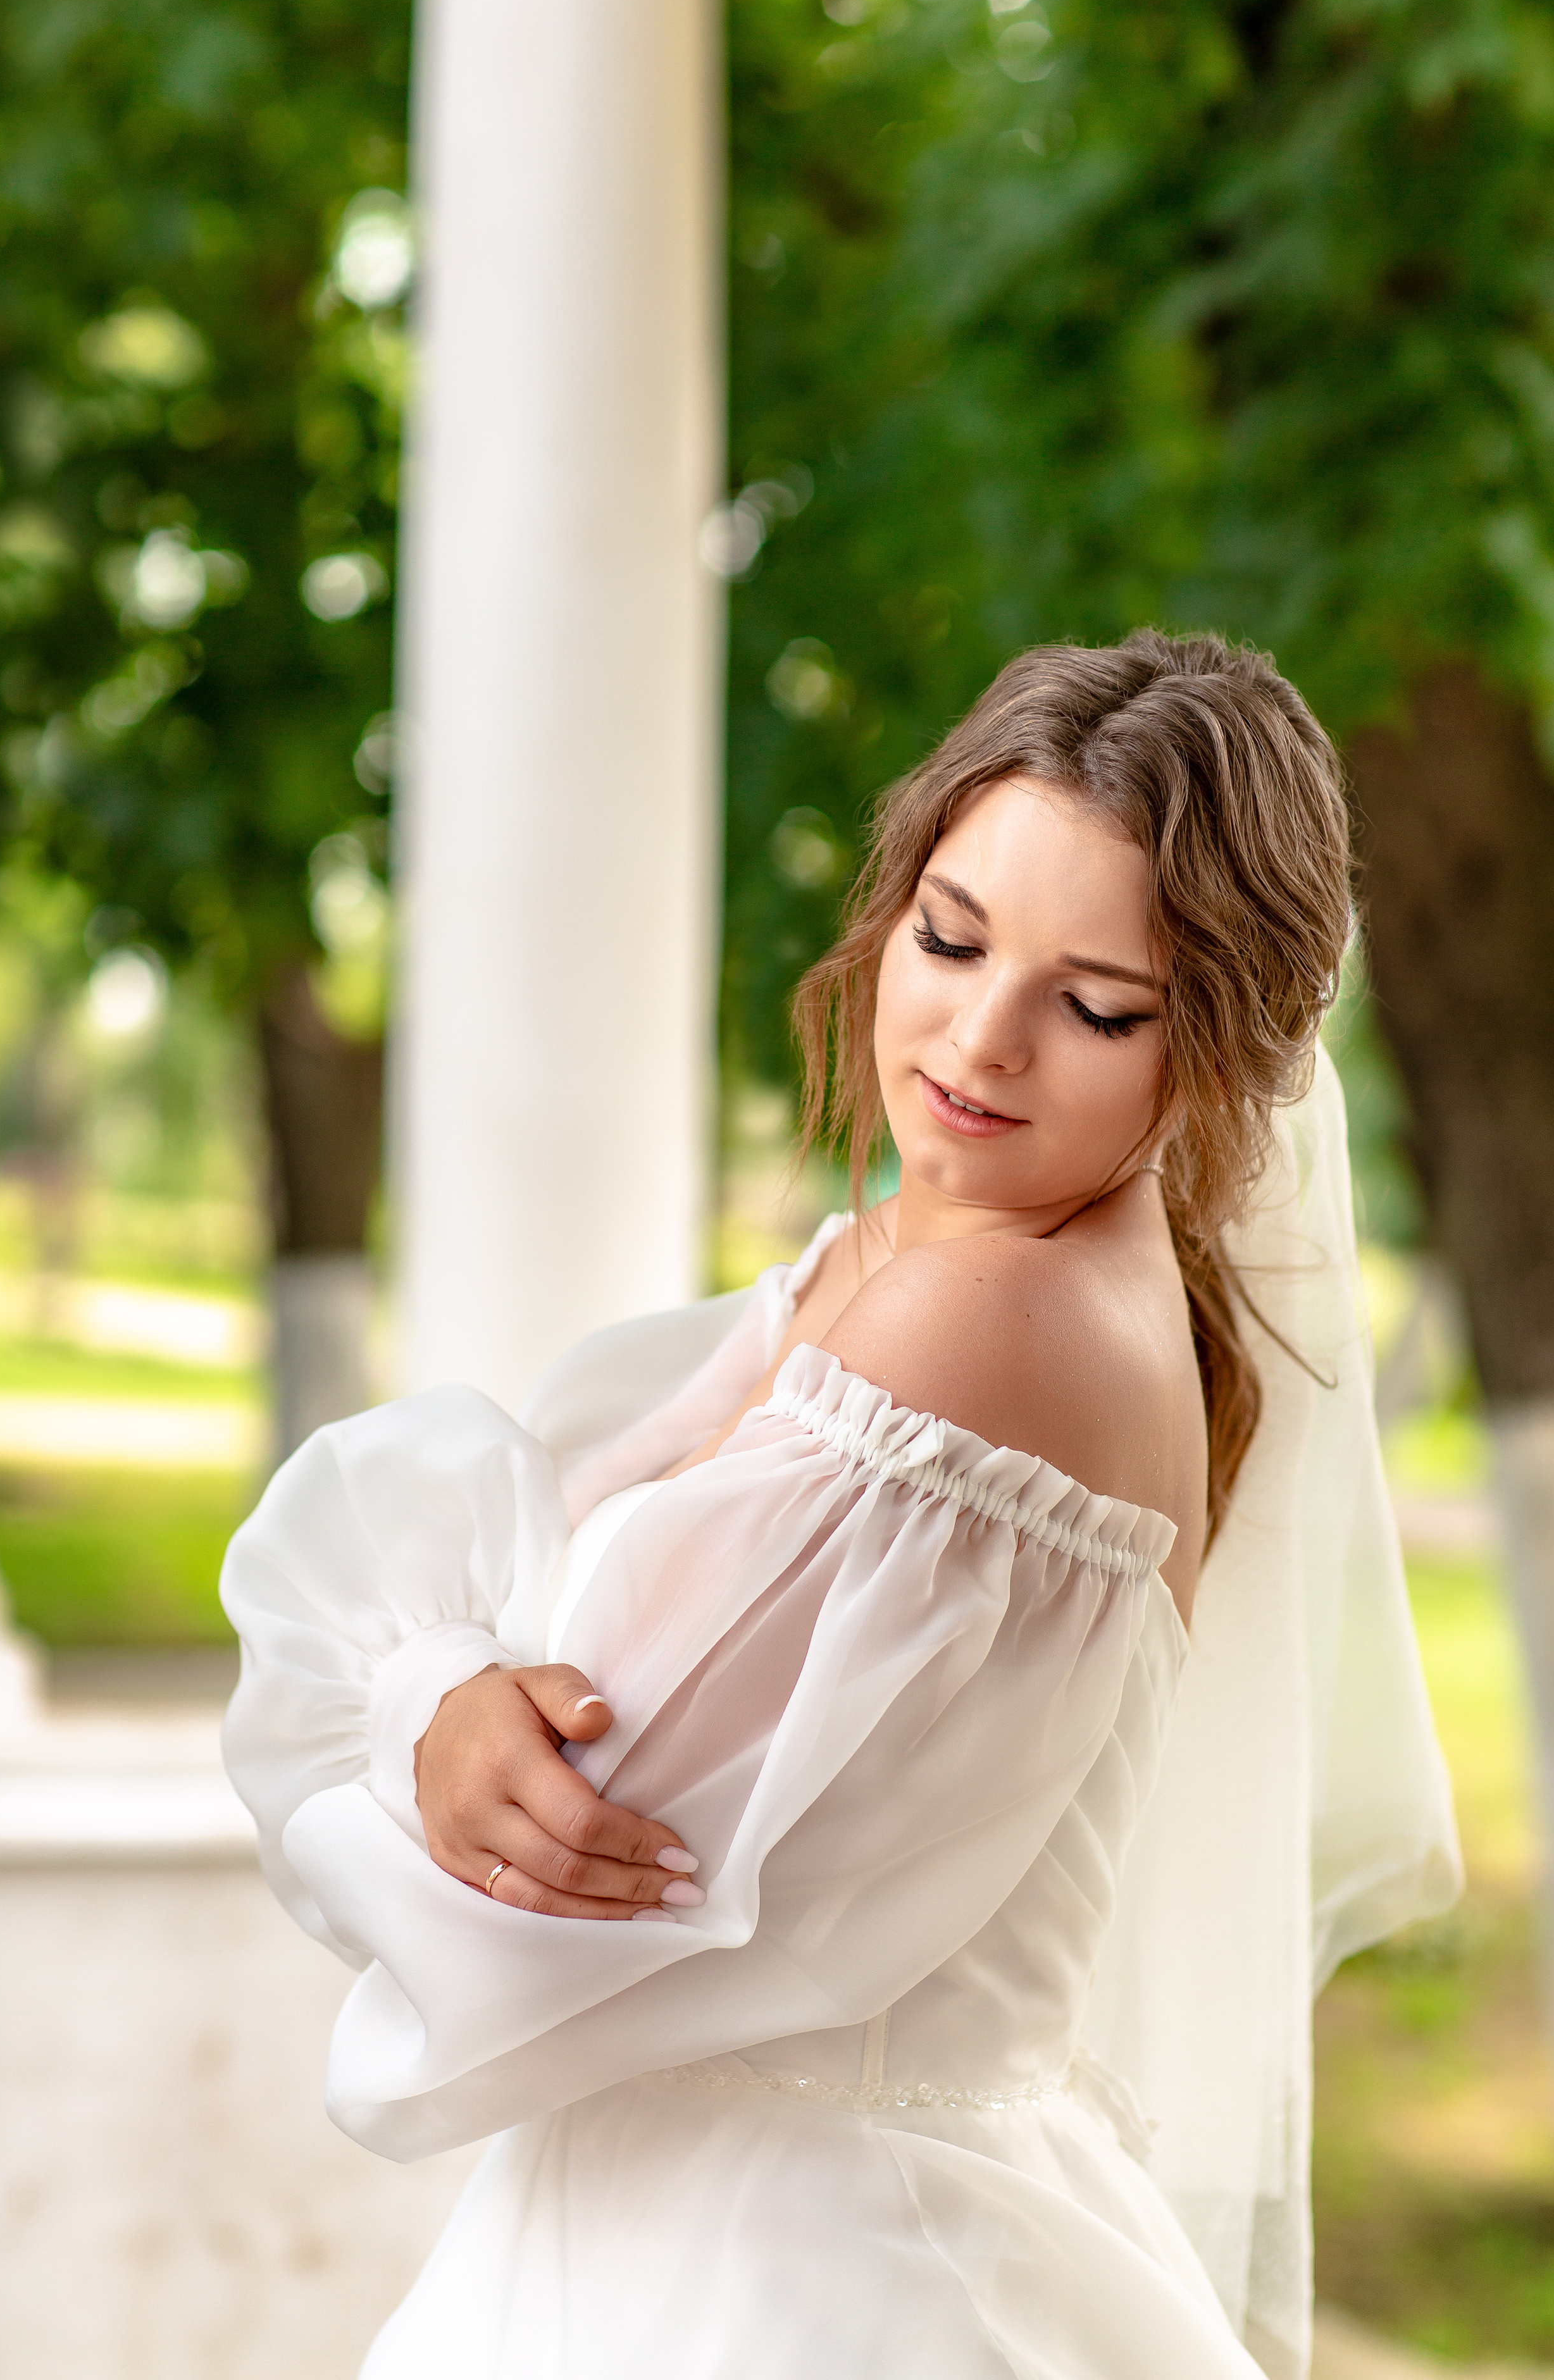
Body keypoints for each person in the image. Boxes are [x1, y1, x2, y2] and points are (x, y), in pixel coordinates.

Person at [221, 630, 1460, 2380]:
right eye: (951, 938)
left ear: (1227, 1052)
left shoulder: (984, 1322)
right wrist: (445, 1680)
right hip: (807, 2220)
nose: (979, 1039)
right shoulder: (948, 1249)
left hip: (797, 2271)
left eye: (1097, 1005)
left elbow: (574, 1863)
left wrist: (432, 1684)